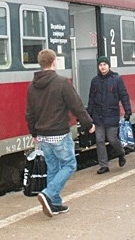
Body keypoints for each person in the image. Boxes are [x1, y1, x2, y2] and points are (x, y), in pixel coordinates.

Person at [25, 49, 95, 218]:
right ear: (54, 62)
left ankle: (55, 203)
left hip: (42, 134)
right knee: (70, 164)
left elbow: (29, 113)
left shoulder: (32, 85)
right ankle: (49, 193)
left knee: (53, 168)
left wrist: (34, 132)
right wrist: (88, 123)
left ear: (40, 63)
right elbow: (76, 105)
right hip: (59, 133)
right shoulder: (62, 82)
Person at [87, 55, 132, 175]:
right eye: (100, 65)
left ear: (108, 66)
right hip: (98, 115)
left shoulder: (116, 79)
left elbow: (123, 95)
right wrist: (88, 114)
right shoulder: (95, 81)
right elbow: (91, 98)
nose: (102, 67)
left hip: (112, 113)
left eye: (104, 65)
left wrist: (128, 110)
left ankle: (121, 152)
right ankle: (103, 165)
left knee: (112, 138)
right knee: (99, 140)